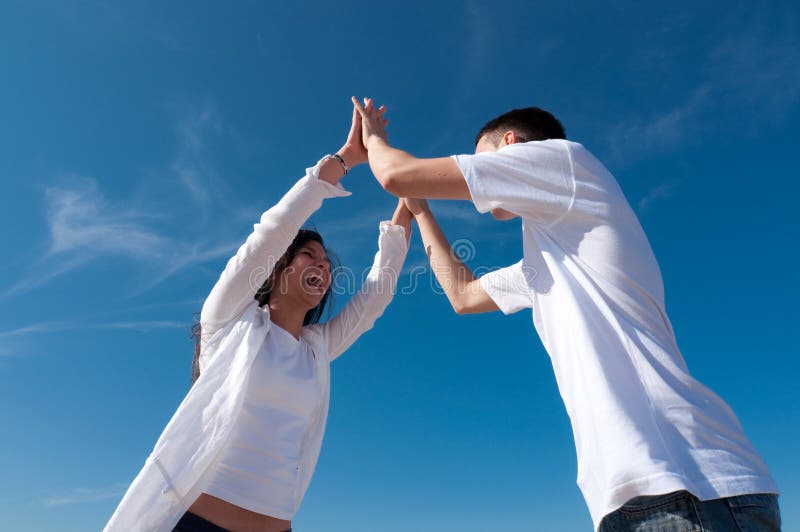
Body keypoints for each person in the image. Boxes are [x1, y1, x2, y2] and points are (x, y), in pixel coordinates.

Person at [353, 98, 781, 531]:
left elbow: (394, 173)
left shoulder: (566, 162)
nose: (475, 172)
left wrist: (373, 139)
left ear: (512, 144)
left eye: (479, 158)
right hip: (638, 497)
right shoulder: (551, 255)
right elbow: (462, 296)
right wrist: (422, 210)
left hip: (685, 484)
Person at [106, 107, 411, 532]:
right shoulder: (229, 323)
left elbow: (374, 298)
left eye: (327, 264)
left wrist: (404, 215)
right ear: (277, 271)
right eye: (310, 256)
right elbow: (268, 236)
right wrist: (339, 164)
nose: (323, 268)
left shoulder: (316, 349)